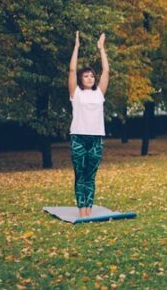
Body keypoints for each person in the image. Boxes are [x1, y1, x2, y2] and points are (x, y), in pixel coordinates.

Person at [68, 31, 109, 217]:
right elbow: (71, 71)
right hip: (78, 137)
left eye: (92, 76)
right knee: (80, 174)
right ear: (80, 79)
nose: (90, 78)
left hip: (96, 139)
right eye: (86, 76)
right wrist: (76, 47)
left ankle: (89, 209)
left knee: (90, 176)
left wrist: (101, 49)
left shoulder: (99, 94)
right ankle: (81, 209)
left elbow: (106, 71)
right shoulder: (75, 93)